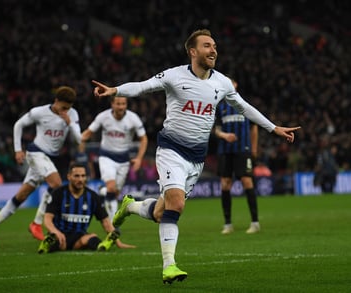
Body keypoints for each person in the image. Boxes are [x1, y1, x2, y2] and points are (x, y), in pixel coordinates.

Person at [91, 29, 300, 284]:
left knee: (160, 213)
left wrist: (274, 127)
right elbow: (143, 86)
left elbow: (244, 107)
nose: (214, 50)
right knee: (176, 205)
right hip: (171, 150)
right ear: (193, 51)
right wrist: (115, 90)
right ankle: (169, 266)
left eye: (214, 46)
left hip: (197, 158)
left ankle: (131, 206)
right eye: (207, 46)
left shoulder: (221, 82)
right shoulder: (174, 75)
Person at [0, 86, 82, 247]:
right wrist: (17, 149)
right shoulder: (39, 112)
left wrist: (70, 124)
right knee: (56, 184)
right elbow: (18, 125)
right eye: (63, 107)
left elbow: (79, 140)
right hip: (36, 153)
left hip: (50, 158)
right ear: (56, 101)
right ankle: (36, 223)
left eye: (68, 108)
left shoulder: (72, 115)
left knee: (21, 196)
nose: (65, 111)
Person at [38, 163, 135, 253]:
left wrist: (118, 242)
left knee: (92, 237)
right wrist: (55, 232)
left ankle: (103, 245)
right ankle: (47, 244)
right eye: (76, 176)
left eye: (83, 176)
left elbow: (105, 222)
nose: (80, 179)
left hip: (79, 238)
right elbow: (47, 219)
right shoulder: (58, 194)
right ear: (69, 177)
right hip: (60, 235)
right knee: (55, 240)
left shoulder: (92, 196)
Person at [81, 96, 148, 221]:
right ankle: (112, 224)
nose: (121, 107)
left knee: (115, 193)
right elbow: (89, 132)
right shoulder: (103, 117)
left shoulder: (133, 119)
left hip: (124, 159)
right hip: (106, 157)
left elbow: (143, 138)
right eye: (118, 104)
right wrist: (80, 139)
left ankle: (103, 191)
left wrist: (139, 158)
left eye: (123, 104)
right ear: (112, 104)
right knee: (112, 188)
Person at [214, 79, 260, 235]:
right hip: (225, 150)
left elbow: (254, 128)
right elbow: (216, 130)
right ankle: (228, 224)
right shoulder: (220, 107)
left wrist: (253, 149)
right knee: (225, 183)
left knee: (247, 181)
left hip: (243, 149)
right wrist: (224, 135)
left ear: (235, 85)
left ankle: (255, 222)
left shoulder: (244, 105)